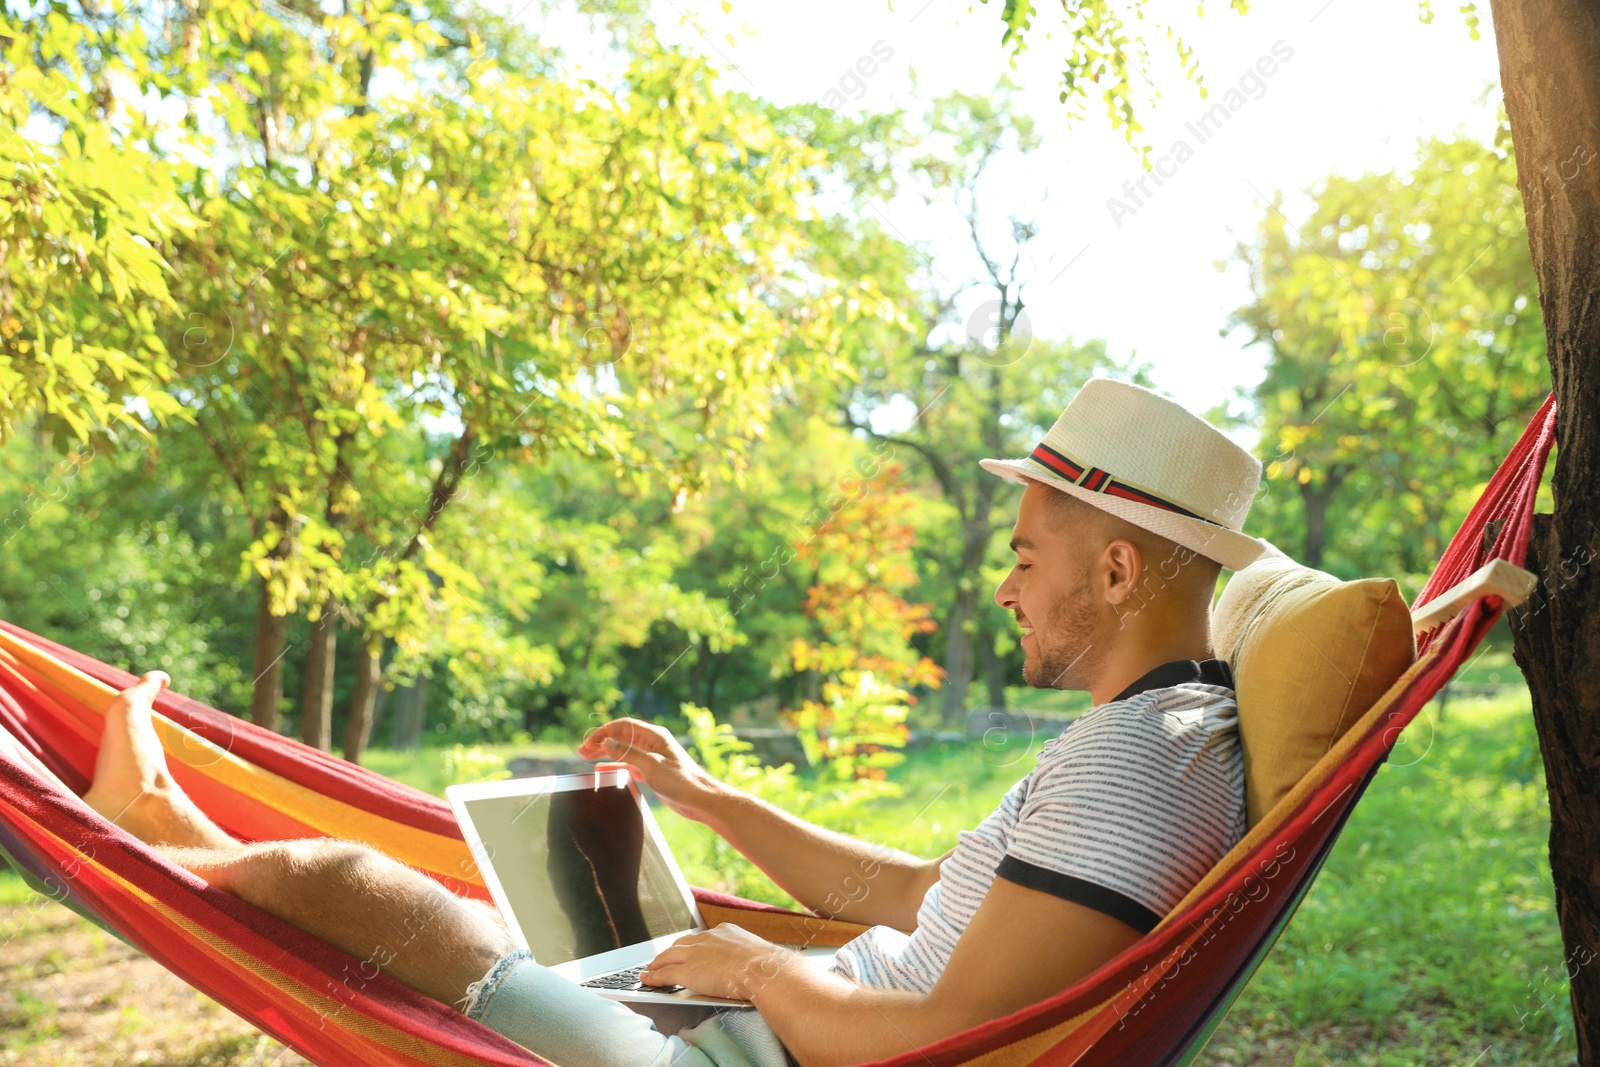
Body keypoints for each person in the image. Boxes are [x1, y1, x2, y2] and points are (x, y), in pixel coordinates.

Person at [83, 378, 1265, 1067]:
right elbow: (919, 902)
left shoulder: (1137, 763)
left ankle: (154, 831)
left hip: (757, 1054)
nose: (1002, 588)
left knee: (363, 883)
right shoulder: (1163, 734)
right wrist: (709, 797)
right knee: (534, 910)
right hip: (784, 1012)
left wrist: (753, 964)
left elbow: (942, 1033)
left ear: (1115, 572)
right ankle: (179, 824)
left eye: (1022, 556)